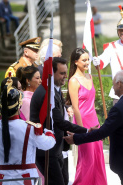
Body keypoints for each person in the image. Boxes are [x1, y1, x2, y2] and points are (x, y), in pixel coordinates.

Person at [64, 70, 123, 185]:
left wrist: (76, 138)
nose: (113, 87)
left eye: (113, 84)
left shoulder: (120, 107)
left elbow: (103, 133)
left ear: (119, 84)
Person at [30, 57, 96, 185]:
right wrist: (86, 130)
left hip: (57, 148)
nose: (66, 76)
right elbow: (59, 121)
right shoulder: (46, 93)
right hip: (46, 151)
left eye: (66, 72)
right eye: (62, 73)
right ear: (51, 73)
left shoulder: (55, 89)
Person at [0, 76, 56, 185]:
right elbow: (48, 144)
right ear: (19, 104)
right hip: (26, 180)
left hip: (1, 180)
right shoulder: (30, 128)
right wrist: (49, 133)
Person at [66, 48, 107, 185]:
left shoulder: (90, 77)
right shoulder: (73, 81)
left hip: (94, 120)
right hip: (83, 121)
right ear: (76, 62)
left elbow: (91, 101)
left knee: (98, 156)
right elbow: (75, 107)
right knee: (87, 158)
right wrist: (82, 129)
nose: (87, 62)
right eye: (84, 60)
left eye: (88, 59)